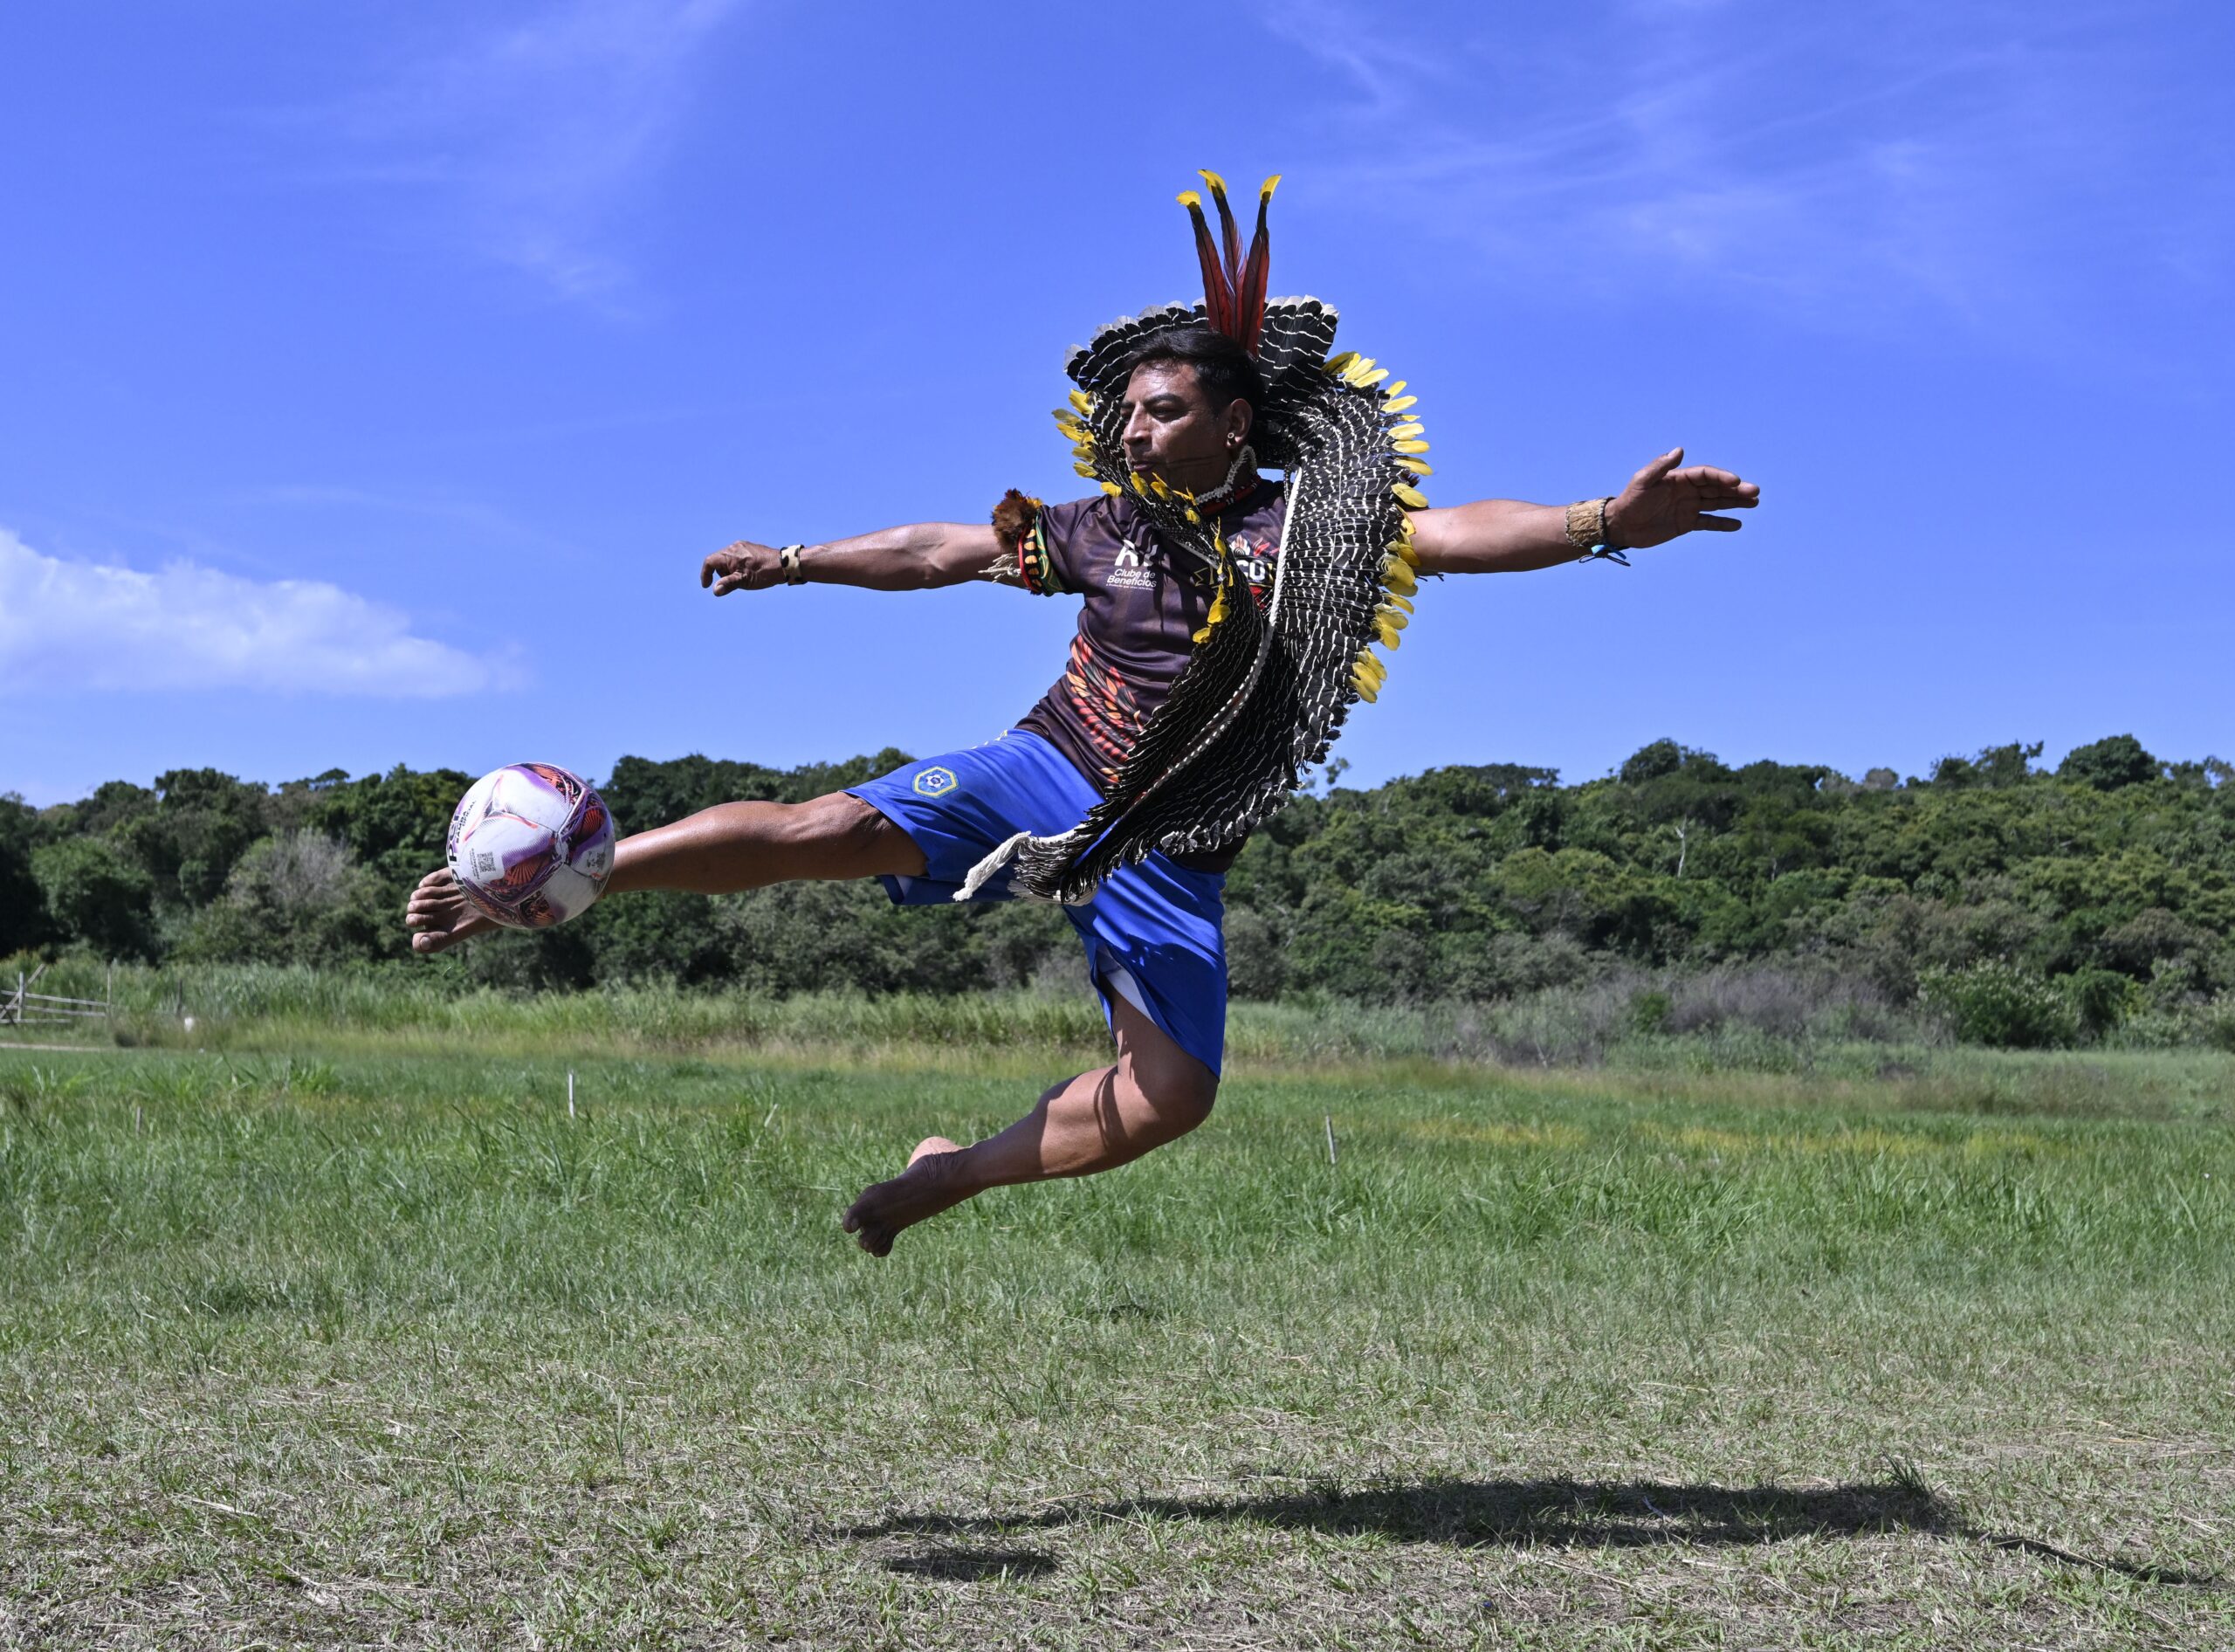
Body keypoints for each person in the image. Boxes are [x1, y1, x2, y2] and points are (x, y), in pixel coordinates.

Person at [404, 189, 1759, 1258]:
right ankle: (563, 883)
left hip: (1163, 839)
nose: (1134, 433)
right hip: (1043, 761)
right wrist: (801, 556)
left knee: (1172, 1098)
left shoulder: (1311, 530)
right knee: (828, 827)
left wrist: (1599, 525)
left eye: (1163, 413)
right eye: (1125, 415)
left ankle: (950, 1175)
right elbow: (945, 550)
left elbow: (1453, 532)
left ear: (1236, 424)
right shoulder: (1098, 525)